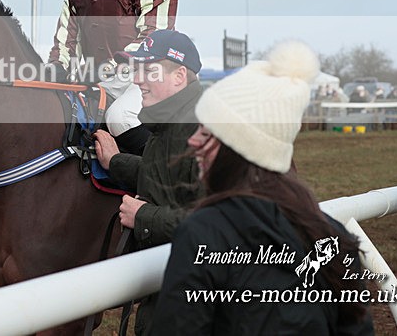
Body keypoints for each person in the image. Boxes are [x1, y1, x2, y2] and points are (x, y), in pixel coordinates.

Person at [150, 41, 374, 335]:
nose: (192, 142)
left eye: (205, 132)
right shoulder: (329, 231)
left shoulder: (204, 232)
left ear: (236, 145)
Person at [92, 29, 203, 335]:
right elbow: (168, 175)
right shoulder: (170, 122)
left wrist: (143, 216)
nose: (138, 79)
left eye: (149, 70)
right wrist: (115, 162)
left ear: (179, 76)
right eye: (137, 68)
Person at [47, 0, 178, 155]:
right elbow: (65, 45)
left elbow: (155, 34)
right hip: (100, 82)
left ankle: (163, 177)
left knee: (120, 117)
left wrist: (111, 66)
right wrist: (55, 70)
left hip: (145, 75)